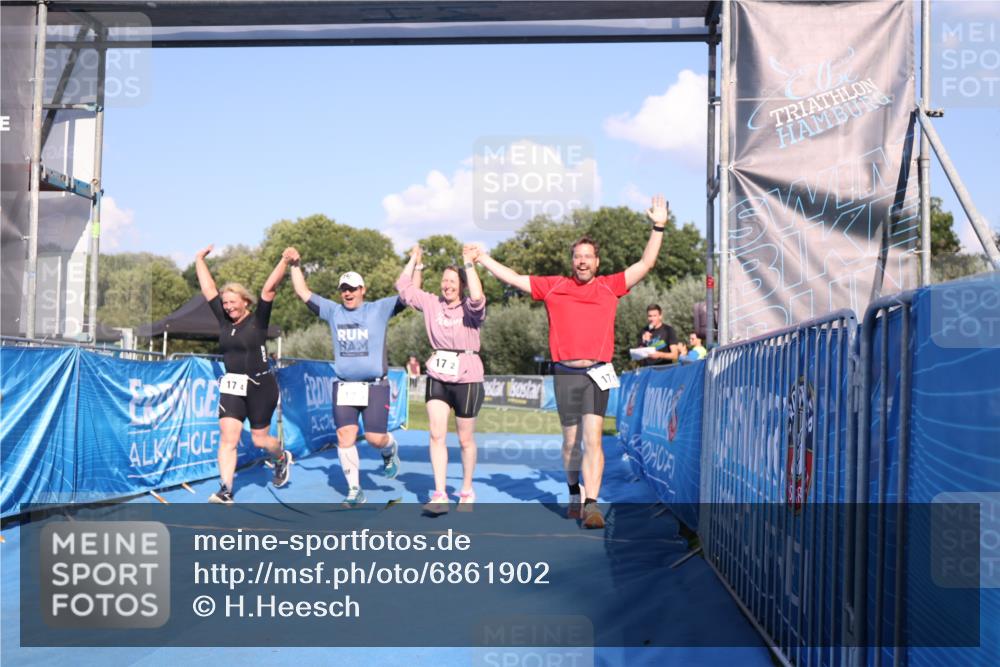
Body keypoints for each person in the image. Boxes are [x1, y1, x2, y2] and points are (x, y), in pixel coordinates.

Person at [474, 195, 669, 529]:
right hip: (564, 372)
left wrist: (658, 226)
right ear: (572, 261)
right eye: (577, 257)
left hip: (597, 372)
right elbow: (514, 279)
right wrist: (483, 258)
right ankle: (573, 492)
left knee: (593, 438)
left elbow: (645, 264)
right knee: (570, 442)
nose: (582, 262)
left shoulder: (610, 287)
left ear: (597, 261)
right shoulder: (554, 287)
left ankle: (592, 504)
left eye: (588, 257)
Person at [285, 247, 403, 506]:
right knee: (344, 436)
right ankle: (354, 490)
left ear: (363, 289)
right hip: (345, 387)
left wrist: (415, 264)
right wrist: (294, 264)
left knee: (374, 438)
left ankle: (389, 449)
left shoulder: (378, 309)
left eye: (352, 288)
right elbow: (303, 293)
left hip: (374, 386)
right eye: (343, 289)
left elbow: (406, 295)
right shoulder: (333, 312)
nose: (347, 293)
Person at [194, 245, 292, 504]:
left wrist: (283, 260)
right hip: (233, 387)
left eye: (232, 302)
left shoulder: (258, 320)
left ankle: (281, 457)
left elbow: (268, 289)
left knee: (260, 440)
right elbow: (208, 290)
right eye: (224, 304)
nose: (227, 307)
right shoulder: (225, 322)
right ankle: (225, 490)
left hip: (262, 387)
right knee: (228, 438)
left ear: (245, 302)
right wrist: (199, 260)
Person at [396, 244, 486, 513]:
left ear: (461, 284)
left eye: (452, 281)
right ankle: (439, 494)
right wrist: (415, 259)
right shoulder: (432, 303)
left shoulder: (470, 308)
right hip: (438, 373)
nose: (447, 285)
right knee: (436, 435)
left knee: (464, 439)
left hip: (468, 374)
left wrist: (468, 264)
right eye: (444, 281)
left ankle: (467, 490)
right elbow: (403, 286)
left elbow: (478, 296)